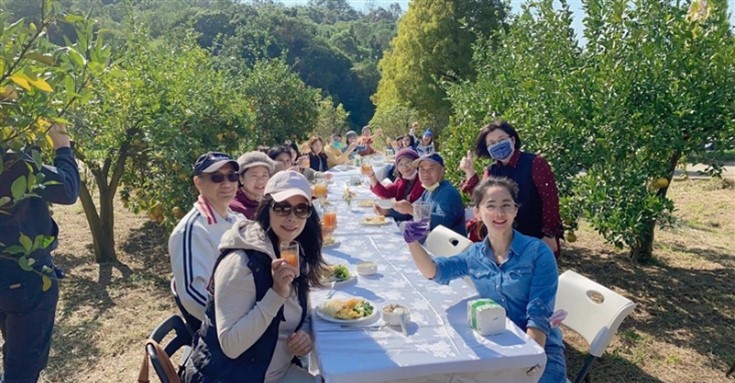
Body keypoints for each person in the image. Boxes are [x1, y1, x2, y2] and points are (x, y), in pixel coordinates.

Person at [402, 177, 566, 383]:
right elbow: (434, 272)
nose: (499, 213)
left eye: (506, 205)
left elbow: (539, 313)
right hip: (495, 339)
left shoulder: (538, 253)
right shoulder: (474, 255)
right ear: (477, 212)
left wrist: (529, 361)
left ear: (516, 210)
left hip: (539, 348)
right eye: (491, 206)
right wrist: (412, 242)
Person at [182, 170, 326, 383]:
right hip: (233, 377)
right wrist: (276, 294)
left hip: (272, 370)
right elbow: (231, 345)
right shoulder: (241, 263)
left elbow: (302, 309)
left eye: (301, 209)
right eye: (282, 207)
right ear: (267, 208)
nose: (291, 217)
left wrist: (304, 334)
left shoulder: (293, 250)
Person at [0, 124, 80, 383]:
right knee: (22, 367)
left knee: (15, 350)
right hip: (25, 273)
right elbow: (67, 189)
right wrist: (63, 148)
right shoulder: (12, 163)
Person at [459, 121, 563, 257]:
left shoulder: (535, 163)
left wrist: (550, 235)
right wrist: (469, 171)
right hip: (505, 238)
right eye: (491, 143)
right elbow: (482, 199)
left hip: (534, 236)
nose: (497, 145)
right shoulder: (492, 170)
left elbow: (550, 201)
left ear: (513, 140)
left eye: (501, 140)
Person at [169, 152, 241, 331]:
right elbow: (192, 296)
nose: (226, 184)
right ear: (198, 182)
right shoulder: (191, 231)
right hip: (226, 331)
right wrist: (236, 325)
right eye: (216, 177)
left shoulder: (234, 218)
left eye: (232, 176)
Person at [394, 153, 466, 236]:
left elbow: (443, 223)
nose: (426, 173)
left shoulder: (448, 193)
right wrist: (388, 210)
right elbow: (410, 209)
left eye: (431, 169)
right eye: (422, 169)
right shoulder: (429, 189)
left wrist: (412, 210)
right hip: (429, 239)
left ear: (442, 171)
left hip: (446, 246)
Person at [363, 148, 424, 223]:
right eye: (400, 164)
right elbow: (385, 193)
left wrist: (389, 212)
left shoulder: (422, 182)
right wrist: (371, 175)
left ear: (416, 163)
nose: (404, 167)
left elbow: (413, 212)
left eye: (408, 162)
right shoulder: (402, 180)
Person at [231, 151, 276, 219]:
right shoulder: (232, 207)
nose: (260, 181)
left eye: (264, 175)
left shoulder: (272, 203)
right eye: (254, 176)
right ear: (241, 179)